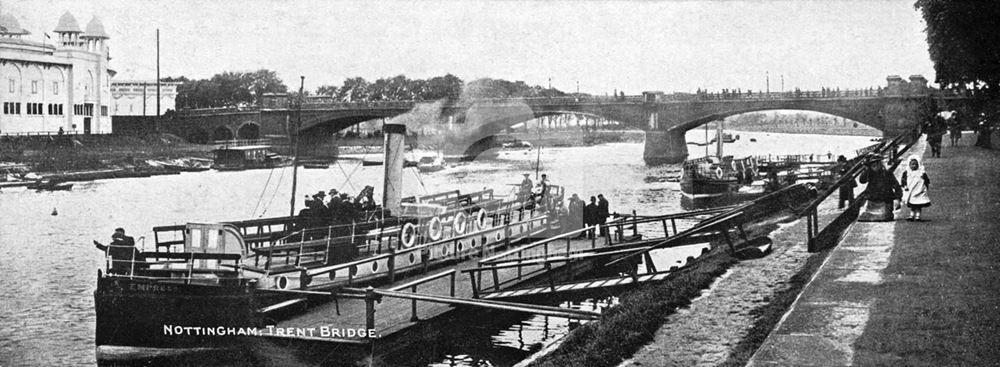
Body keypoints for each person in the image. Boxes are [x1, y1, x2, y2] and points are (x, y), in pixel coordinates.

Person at [858, 154, 903, 222]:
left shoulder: (887, 173)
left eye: (877, 164)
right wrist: (866, 170)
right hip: (872, 200)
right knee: (863, 214)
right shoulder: (869, 174)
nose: (875, 167)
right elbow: (862, 180)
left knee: (885, 216)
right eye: (873, 166)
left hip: (885, 200)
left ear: (880, 164)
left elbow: (896, 186)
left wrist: (898, 198)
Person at [901, 156, 931, 221]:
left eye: (915, 164)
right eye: (912, 164)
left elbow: (926, 181)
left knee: (918, 204)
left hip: (919, 190)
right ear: (909, 165)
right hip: (911, 191)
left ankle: (918, 216)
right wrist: (905, 186)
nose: (913, 166)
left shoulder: (921, 173)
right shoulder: (907, 173)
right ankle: (911, 215)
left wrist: (926, 187)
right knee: (912, 204)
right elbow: (903, 180)